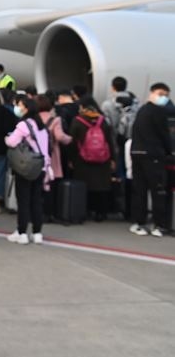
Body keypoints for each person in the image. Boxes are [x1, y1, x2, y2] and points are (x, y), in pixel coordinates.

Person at [4, 97, 52, 244]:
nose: (17, 108)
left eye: (19, 105)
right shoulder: (42, 126)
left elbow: (12, 142)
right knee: (36, 200)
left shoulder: (23, 125)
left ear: (26, 108)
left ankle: (22, 232)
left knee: (23, 200)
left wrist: (7, 138)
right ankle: (37, 233)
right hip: (41, 166)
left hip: (26, 167)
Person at [128, 83, 173, 237]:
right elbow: (164, 134)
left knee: (139, 190)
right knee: (158, 190)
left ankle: (138, 223)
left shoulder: (141, 110)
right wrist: (169, 151)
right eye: (161, 94)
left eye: (166, 95)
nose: (163, 98)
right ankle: (159, 225)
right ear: (152, 93)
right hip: (153, 155)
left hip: (137, 153)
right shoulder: (159, 112)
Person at [69, 95, 117, 222]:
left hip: (82, 159)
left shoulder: (77, 121)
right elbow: (110, 141)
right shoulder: (103, 121)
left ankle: (85, 211)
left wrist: (71, 159)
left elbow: (72, 142)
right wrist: (113, 158)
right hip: (103, 159)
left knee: (84, 186)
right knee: (101, 187)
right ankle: (101, 213)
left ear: (82, 107)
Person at [101, 76, 139, 215]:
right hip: (131, 142)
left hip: (115, 142)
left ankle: (117, 205)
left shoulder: (107, 104)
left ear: (113, 87)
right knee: (131, 173)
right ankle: (131, 206)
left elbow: (107, 126)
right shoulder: (135, 103)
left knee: (117, 173)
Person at [36, 94, 73, 222]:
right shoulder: (55, 120)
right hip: (51, 157)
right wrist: (71, 139)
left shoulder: (32, 119)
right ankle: (48, 213)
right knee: (50, 186)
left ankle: (36, 212)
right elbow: (60, 137)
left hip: (34, 157)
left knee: (36, 186)